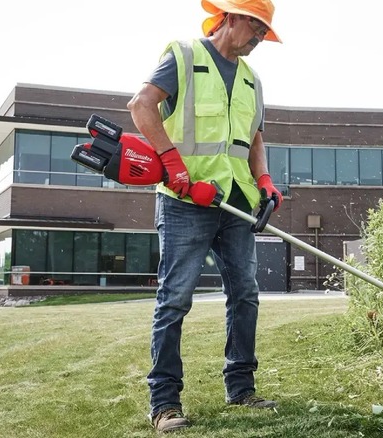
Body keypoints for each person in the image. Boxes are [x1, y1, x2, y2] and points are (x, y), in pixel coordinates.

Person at [126, 0, 284, 433]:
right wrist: (173, 164)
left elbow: (254, 138)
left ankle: (241, 388)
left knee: (246, 295)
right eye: (255, 28)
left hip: (235, 202)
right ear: (231, 17)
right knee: (175, 298)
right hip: (185, 201)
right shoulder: (184, 55)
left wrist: (265, 180)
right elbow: (141, 105)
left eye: (264, 33)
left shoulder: (253, 79)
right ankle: (164, 403)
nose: (258, 39)